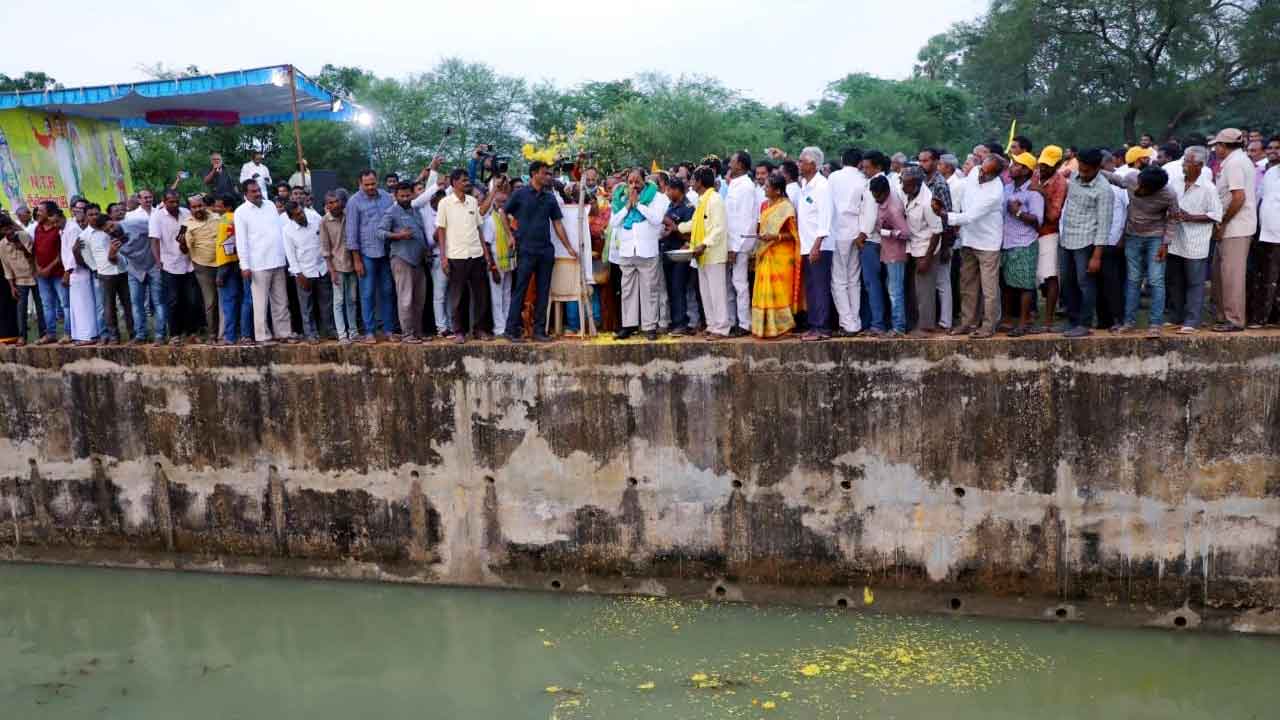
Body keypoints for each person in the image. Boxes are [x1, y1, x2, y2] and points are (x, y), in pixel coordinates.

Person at [502, 160, 578, 342]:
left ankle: (539, 330)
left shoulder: (550, 197)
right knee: (520, 289)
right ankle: (511, 329)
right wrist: (510, 236)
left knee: (544, 291)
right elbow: (503, 213)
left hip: (545, 250)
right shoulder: (520, 194)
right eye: (545, 173)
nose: (548, 177)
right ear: (534, 174)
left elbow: (557, 223)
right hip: (525, 249)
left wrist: (569, 247)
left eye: (549, 174)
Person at [1101, 165, 1179, 337]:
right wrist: (1096, 168)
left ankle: (1155, 325)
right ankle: (1129, 322)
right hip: (1133, 236)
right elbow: (1116, 179)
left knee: (1156, 280)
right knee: (1133, 279)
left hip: (1155, 238)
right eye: (1139, 184)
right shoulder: (1132, 178)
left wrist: (1165, 244)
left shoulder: (1169, 194)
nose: (1138, 189)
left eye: (1143, 188)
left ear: (1156, 189)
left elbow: (1173, 219)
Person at [935, 154, 1006, 338]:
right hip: (968, 239)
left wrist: (945, 215)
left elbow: (971, 216)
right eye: (982, 169)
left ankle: (988, 326)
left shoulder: (995, 192)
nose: (981, 174)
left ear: (996, 175)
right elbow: (963, 195)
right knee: (967, 284)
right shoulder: (975, 171)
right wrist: (954, 211)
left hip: (988, 242)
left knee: (989, 288)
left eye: (987, 173)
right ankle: (967, 323)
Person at [1056, 148, 1115, 337]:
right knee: (1066, 282)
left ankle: (1085, 323)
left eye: (1087, 170)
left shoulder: (1104, 190)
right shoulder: (1074, 177)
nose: (1082, 173)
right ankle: (1072, 321)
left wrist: (1096, 256)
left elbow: (1104, 226)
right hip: (1066, 239)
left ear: (1098, 168)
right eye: (1080, 168)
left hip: (1087, 242)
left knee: (1085, 284)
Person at [609, 168, 669, 341]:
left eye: (637, 182)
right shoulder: (621, 198)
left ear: (645, 181)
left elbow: (656, 219)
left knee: (650, 290)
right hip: (627, 251)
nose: (633, 186)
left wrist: (638, 205)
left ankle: (649, 327)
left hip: (647, 250)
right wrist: (627, 206)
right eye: (630, 182)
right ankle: (629, 325)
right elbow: (614, 222)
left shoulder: (658, 197)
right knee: (627, 290)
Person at [1167, 147, 1222, 334]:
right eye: (1184, 161)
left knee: (1195, 282)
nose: (1183, 165)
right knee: (1175, 281)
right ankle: (1176, 317)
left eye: (1187, 162)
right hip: (1176, 239)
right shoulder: (1175, 182)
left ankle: (1192, 320)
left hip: (1196, 241)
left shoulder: (1208, 188)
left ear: (1199, 165)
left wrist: (1191, 217)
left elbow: (1216, 215)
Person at [436, 171, 496, 343]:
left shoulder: (472, 201)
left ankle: (480, 330)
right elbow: (441, 231)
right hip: (456, 256)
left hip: (476, 253)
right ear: (454, 183)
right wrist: (443, 258)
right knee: (458, 297)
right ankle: (459, 331)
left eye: (468, 180)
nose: (467, 183)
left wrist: (486, 254)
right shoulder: (445, 203)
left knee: (482, 295)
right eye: (464, 180)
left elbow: (478, 229)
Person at [1210, 129, 1258, 332]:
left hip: (1236, 227)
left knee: (1232, 275)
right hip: (1232, 226)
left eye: (1217, 145)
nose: (1215, 148)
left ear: (1225, 145)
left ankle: (1235, 319)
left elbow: (1239, 197)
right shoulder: (1234, 161)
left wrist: (1223, 222)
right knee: (1220, 273)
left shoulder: (1235, 163)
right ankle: (1224, 316)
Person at [235, 179, 294, 344]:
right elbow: (241, 241)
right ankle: (263, 336)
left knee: (281, 301)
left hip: (277, 260)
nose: (257, 193)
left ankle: (283, 333)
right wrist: (244, 265)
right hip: (257, 264)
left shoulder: (270, 206)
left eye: (258, 190)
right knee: (260, 303)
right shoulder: (241, 212)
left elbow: (278, 231)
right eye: (253, 191)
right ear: (245, 194)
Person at [679, 166, 730, 339]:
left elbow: (719, 228)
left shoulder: (715, 199)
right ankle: (712, 325)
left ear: (700, 182)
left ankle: (722, 328)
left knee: (717, 292)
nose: (691, 183)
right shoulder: (702, 201)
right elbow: (694, 224)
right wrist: (675, 227)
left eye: (693, 179)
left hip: (713, 253)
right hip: (701, 254)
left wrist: (704, 244)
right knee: (706, 293)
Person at [749, 172, 802, 339]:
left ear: (778, 190)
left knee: (780, 292)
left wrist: (775, 237)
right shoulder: (764, 205)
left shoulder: (787, 207)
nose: (764, 189)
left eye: (767, 186)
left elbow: (793, 235)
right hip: (765, 253)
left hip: (782, 256)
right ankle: (765, 328)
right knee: (764, 291)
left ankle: (784, 328)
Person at [346, 169, 396, 343]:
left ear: (377, 181)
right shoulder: (354, 202)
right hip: (366, 254)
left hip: (386, 252)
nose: (370, 187)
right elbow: (351, 233)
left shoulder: (387, 198)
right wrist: (356, 259)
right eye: (366, 184)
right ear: (359, 184)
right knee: (367, 293)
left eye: (373, 183)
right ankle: (369, 331)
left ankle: (389, 329)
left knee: (388, 291)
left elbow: (393, 222)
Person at [380, 181, 431, 343]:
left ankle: (417, 331)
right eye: (401, 196)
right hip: (402, 259)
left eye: (408, 195)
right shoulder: (391, 212)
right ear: (395, 196)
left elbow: (421, 232)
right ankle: (407, 334)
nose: (405, 198)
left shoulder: (416, 211)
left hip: (418, 259)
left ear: (412, 195)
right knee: (406, 298)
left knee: (419, 298)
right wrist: (398, 236)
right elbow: (380, 232)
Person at [1001, 153, 1045, 336]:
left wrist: (1018, 213)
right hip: (1007, 242)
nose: (1011, 167)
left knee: (1025, 285)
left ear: (1026, 170)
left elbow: (1038, 221)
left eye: (1016, 165)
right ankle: (1008, 320)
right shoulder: (1007, 188)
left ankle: (1023, 322)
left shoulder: (1034, 194)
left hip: (1025, 242)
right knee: (1009, 284)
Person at [149, 190, 200, 344]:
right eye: (171, 202)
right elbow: (154, 241)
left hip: (188, 262)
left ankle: (191, 332)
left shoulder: (185, 213)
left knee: (191, 300)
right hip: (169, 264)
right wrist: (158, 261)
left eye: (177, 201)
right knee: (173, 301)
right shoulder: (157, 216)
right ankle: (174, 334)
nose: (175, 204)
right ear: (164, 202)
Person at [795, 147, 834, 341]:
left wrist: (817, 245)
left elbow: (825, 218)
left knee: (820, 287)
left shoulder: (822, 186)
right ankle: (814, 325)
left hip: (820, 246)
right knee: (810, 288)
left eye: (802, 161)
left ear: (812, 164)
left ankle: (823, 328)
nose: (799, 164)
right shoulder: (805, 184)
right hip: (806, 245)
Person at [78, 205, 131, 343]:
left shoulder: (109, 227)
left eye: (96, 213)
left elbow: (124, 242)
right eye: (90, 214)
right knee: (108, 307)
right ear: (85, 216)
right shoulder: (84, 236)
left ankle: (133, 333)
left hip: (122, 269)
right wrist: (96, 269)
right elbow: (87, 256)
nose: (94, 217)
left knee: (128, 304)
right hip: (104, 273)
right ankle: (114, 336)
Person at [901, 167, 944, 337]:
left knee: (925, 289)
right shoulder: (909, 194)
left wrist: (927, 258)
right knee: (916, 288)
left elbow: (937, 231)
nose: (902, 187)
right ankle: (919, 322)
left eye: (905, 184)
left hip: (927, 248)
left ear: (915, 185)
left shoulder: (928, 202)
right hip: (914, 245)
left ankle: (926, 327)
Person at [829, 148, 867, 335]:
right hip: (857, 232)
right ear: (860, 162)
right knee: (853, 278)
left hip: (838, 231)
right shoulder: (863, 179)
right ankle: (855, 321)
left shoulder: (834, 177)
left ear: (843, 159)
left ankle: (847, 323)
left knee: (839, 279)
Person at [282, 200, 331, 343]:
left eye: (301, 212)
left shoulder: (314, 217)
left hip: (322, 268)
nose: (301, 216)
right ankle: (310, 334)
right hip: (304, 272)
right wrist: (298, 274)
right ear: (291, 218)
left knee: (326, 303)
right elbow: (290, 255)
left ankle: (328, 329)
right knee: (306, 306)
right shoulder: (287, 230)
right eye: (297, 215)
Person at [854, 151, 891, 335]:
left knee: (872, 283)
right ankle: (875, 322)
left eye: (868, 167)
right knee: (876, 283)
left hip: (871, 240)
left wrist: (862, 235)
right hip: (877, 239)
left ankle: (877, 324)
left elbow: (871, 214)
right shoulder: (880, 181)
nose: (864, 170)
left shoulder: (875, 184)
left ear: (877, 167)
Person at [117, 202, 164, 343]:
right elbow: (113, 260)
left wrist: (159, 257)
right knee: (136, 303)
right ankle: (140, 335)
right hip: (134, 270)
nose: (110, 230)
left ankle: (160, 335)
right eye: (107, 230)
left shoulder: (135, 223)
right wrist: (112, 252)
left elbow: (156, 232)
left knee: (158, 302)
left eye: (111, 226)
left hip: (153, 265)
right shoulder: (108, 238)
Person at [870, 175, 910, 336]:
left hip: (895, 253)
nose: (875, 199)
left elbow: (906, 233)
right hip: (888, 251)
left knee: (895, 291)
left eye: (878, 196)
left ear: (885, 192)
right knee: (892, 288)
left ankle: (899, 327)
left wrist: (885, 231)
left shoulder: (893, 209)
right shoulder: (886, 199)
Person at [1032, 146, 1067, 332]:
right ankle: (1030, 318)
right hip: (1030, 232)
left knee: (1051, 276)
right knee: (1033, 278)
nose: (1043, 168)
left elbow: (1053, 216)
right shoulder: (1035, 174)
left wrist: (1041, 194)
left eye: (1048, 165)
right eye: (1042, 163)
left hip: (1048, 233)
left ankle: (1048, 322)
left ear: (1059, 164)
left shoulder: (1060, 183)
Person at [723, 151, 757, 337]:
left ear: (741, 165)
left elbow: (744, 220)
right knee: (731, 284)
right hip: (729, 243)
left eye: (734, 161)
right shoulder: (734, 185)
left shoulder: (746, 187)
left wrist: (735, 247)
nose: (730, 164)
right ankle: (732, 320)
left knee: (740, 284)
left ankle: (744, 323)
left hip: (739, 244)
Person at [211, 194, 252, 345]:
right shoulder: (240, 217)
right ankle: (246, 334)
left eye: (218, 205)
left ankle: (230, 336)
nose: (215, 208)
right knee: (245, 300)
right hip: (243, 264)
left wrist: (221, 273)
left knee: (229, 302)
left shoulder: (223, 221)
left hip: (227, 266)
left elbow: (225, 247)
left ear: (227, 207)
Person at [183, 194, 222, 343]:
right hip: (202, 266)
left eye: (200, 205)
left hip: (222, 264)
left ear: (204, 205)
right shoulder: (185, 224)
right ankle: (212, 334)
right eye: (194, 207)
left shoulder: (217, 217)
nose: (198, 209)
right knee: (210, 301)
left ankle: (227, 331)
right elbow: (184, 249)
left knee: (226, 298)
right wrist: (181, 243)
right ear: (190, 209)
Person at [320, 189, 358, 343]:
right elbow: (325, 249)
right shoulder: (324, 221)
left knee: (352, 300)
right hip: (337, 266)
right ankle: (342, 335)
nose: (334, 205)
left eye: (336, 201)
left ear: (341, 202)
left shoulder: (349, 216)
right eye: (330, 203)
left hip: (352, 264)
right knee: (338, 301)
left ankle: (353, 332)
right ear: (327, 205)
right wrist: (331, 270)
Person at [1250, 137, 1280, 327]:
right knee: (1266, 277)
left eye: (1278, 148)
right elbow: (1258, 199)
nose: (1273, 151)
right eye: (1270, 147)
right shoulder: (1269, 173)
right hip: (1265, 234)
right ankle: (1266, 318)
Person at [660, 177, 696, 335]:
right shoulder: (670, 206)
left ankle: (681, 323)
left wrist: (675, 230)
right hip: (668, 252)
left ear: (677, 190)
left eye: (669, 190)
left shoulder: (688, 208)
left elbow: (691, 234)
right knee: (670, 288)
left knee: (678, 288)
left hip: (681, 253)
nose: (667, 193)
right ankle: (675, 321)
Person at [483, 184, 515, 338]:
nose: (503, 205)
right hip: (496, 262)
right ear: (494, 203)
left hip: (509, 262)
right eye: (500, 203)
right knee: (496, 297)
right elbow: (487, 245)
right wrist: (492, 266)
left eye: (505, 202)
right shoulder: (490, 221)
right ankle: (499, 328)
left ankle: (508, 325)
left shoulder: (510, 220)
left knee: (507, 294)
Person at [0, 215, 37, 344]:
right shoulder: (2, 243)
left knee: (40, 307)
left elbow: (31, 255)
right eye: (4, 230)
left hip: (30, 275)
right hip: (15, 277)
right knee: (18, 308)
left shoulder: (21, 234)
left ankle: (43, 334)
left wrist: (19, 245)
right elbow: (6, 267)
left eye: (8, 228)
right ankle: (19, 336)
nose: (7, 232)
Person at [63, 204, 97, 345]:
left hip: (83, 271)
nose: (77, 215)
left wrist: (69, 270)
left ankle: (89, 335)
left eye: (80, 212)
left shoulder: (76, 230)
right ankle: (81, 335)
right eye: (75, 212)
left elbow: (77, 254)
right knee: (77, 306)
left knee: (85, 305)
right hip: (75, 273)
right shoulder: (73, 229)